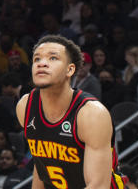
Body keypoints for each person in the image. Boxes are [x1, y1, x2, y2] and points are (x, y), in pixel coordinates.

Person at [15, 35, 125, 189]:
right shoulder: (25, 106)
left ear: (70, 69)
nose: (42, 64)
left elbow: (98, 185)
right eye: (37, 59)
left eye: (53, 58)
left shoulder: (91, 114)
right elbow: (41, 166)